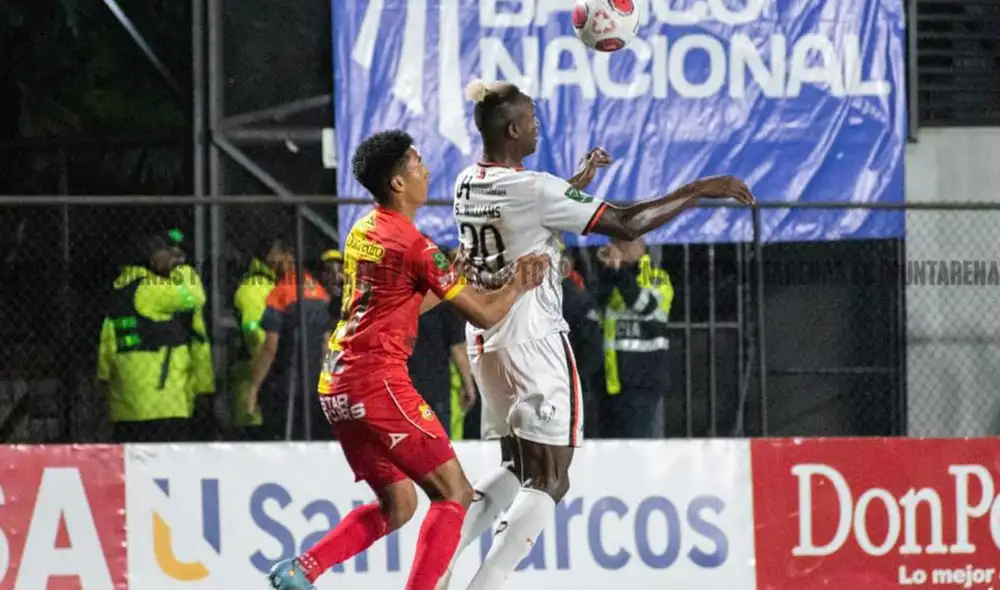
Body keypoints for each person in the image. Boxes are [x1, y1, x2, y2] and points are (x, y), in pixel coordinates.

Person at [440, 79, 755, 590]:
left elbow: (526, 214)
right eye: (534, 120)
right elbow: (629, 224)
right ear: (515, 128)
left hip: (488, 343)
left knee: (518, 469)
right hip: (534, 341)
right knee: (551, 480)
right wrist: (699, 189)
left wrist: (574, 185)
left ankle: (434, 571)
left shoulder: (466, 184)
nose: (539, 127)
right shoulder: (536, 189)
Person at [266, 129, 550, 590]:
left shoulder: (364, 231)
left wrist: (448, 276)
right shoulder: (415, 247)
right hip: (376, 382)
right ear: (398, 182)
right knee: (454, 493)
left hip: (337, 385)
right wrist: (519, 282)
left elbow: (403, 304)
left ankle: (302, 570)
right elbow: (485, 312)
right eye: (418, 163)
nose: (427, 170)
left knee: (399, 505)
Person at [96, 229, 213, 443]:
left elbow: (107, 342)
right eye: (169, 253)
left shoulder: (121, 290)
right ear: (151, 257)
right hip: (163, 401)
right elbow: (195, 297)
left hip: (125, 404)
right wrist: (182, 269)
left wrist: (104, 381)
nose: (175, 257)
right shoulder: (150, 288)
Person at [245, 238, 331, 441]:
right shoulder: (319, 291)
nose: (269, 260)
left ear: (285, 257)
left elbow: (270, 348)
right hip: (315, 385)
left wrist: (254, 387)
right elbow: (326, 345)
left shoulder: (279, 294)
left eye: (273, 255)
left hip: (285, 386)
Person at [594, 237, 674, 438]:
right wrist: (608, 269)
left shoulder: (657, 278)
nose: (616, 248)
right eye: (614, 243)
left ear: (640, 247)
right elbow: (594, 303)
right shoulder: (611, 277)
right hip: (609, 381)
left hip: (642, 380)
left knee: (634, 448)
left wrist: (618, 271)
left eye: (623, 243)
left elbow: (643, 305)